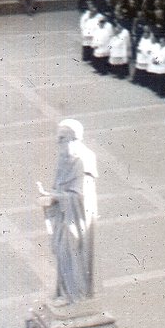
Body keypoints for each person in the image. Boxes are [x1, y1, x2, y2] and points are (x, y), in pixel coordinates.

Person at [37, 119, 98, 303]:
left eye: (62, 138)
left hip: (77, 218)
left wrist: (55, 198)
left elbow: (80, 196)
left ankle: (75, 294)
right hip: (66, 214)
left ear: (74, 138)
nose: (58, 142)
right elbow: (60, 188)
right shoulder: (65, 158)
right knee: (64, 253)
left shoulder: (82, 160)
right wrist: (48, 195)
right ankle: (65, 292)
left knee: (71, 252)